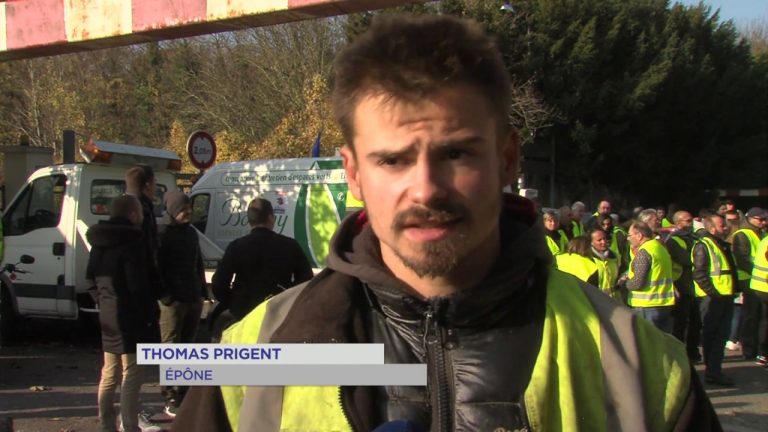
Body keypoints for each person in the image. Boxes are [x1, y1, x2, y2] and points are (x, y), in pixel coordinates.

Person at [174, 14, 719, 431]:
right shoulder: (244, 364)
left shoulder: (644, 368)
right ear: (354, 172)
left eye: (457, 153)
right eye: (393, 159)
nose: (427, 188)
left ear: (507, 158)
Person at [86, 195, 161, 432]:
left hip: (107, 314)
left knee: (109, 373)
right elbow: (138, 284)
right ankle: (129, 425)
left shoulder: (99, 242)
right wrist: (151, 311)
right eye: (139, 212)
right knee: (132, 373)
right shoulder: (134, 243)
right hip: (131, 317)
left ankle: (106, 424)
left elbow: (89, 279)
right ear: (132, 215)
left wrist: (103, 300)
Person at [211, 198, 313, 322]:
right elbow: (306, 278)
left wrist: (235, 301)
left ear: (249, 220)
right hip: (278, 311)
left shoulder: (237, 246)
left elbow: (219, 283)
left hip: (244, 313)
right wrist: (287, 297)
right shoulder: (290, 245)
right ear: (271, 218)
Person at [157, 191, 207, 417]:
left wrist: (201, 292)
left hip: (192, 298)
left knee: (188, 346)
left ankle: (184, 392)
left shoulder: (190, 233)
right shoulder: (162, 235)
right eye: (183, 209)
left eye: (189, 208)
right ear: (172, 210)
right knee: (171, 347)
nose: (188, 212)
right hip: (173, 303)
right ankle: (170, 395)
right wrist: (167, 297)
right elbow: (156, 269)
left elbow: (197, 262)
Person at [692, 214, 737, 386]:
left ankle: (714, 371)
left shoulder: (719, 244)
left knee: (720, 336)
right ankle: (713, 372)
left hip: (723, 296)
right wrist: (713, 294)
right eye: (721, 225)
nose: (724, 227)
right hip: (713, 298)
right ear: (711, 228)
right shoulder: (704, 245)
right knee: (713, 336)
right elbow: (699, 274)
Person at [624, 220, 676, 332]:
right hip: (663, 303)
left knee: (648, 342)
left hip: (647, 305)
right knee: (662, 342)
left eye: (629, 235)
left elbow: (637, 283)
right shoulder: (660, 248)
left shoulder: (644, 252)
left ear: (639, 236)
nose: (628, 238)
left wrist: (625, 283)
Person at [666, 210, 702, 362]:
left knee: (696, 323)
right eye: (687, 221)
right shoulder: (673, 241)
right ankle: (679, 354)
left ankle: (693, 352)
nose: (690, 224)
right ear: (678, 223)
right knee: (681, 323)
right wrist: (700, 257)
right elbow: (688, 259)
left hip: (695, 286)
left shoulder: (695, 238)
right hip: (682, 285)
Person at [124, 165, 164, 301]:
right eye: (155, 183)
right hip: (142, 288)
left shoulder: (122, 207)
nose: (155, 189)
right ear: (147, 185)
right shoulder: (143, 212)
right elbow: (148, 251)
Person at [732, 207, 766, 362]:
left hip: (759, 280)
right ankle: (749, 349)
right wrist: (757, 273)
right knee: (751, 315)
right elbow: (743, 259)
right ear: (750, 218)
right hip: (748, 279)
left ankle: (759, 349)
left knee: (761, 317)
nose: (763, 222)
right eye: (760, 219)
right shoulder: (742, 234)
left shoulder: (762, 233)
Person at [749, 234, 768, 367]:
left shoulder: (765, 239)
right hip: (765, 287)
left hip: (760, 286)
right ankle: (764, 354)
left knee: (764, 321)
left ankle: (763, 354)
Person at [589, 227, 621, 301]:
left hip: (614, 301)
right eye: (599, 240)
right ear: (591, 242)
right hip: (597, 301)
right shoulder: (589, 259)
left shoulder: (615, 257)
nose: (603, 242)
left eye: (604, 238)